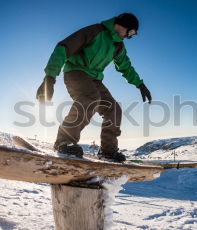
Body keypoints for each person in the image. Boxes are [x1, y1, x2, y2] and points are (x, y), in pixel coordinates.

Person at [36, 13, 151, 162]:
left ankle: (108, 151)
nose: (129, 37)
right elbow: (63, 48)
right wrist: (49, 78)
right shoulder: (95, 31)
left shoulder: (118, 46)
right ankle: (63, 142)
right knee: (90, 98)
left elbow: (125, 67)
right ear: (121, 25)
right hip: (76, 71)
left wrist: (139, 84)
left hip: (94, 79)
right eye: (130, 32)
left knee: (113, 109)